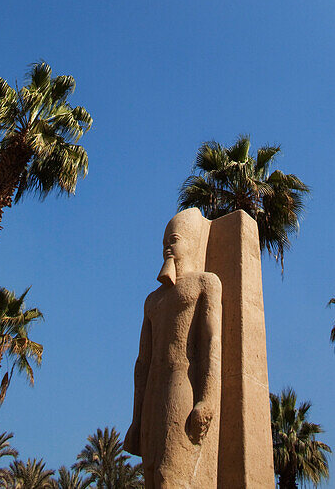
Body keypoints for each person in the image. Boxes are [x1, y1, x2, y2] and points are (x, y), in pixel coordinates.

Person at [124, 208, 222, 489]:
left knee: (170, 476)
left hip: (182, 385)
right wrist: (136, 418)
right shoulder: (152, 301)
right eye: (165, 241)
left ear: (191, 242)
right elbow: (142, 363)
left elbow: (211, 342)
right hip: (153, 391)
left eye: (174, 239)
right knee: (152, 474)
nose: (167, 246)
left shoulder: (205, 283)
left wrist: (207, 399)